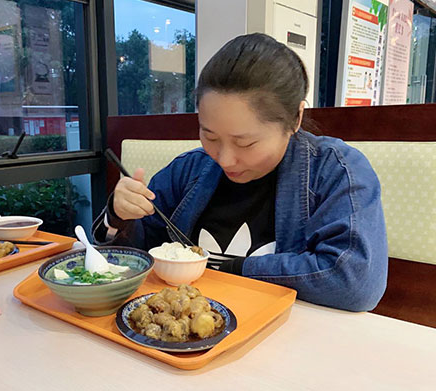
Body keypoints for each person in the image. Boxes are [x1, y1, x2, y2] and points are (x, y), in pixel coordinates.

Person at [93, 33, 387, 312]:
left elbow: (355, 280)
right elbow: (137, 255)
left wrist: (232, 269)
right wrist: (117, 217)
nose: (224, 159)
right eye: (209, 136)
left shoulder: (335, 172)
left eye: (245, 143)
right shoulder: (189, 169)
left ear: (295, 118)